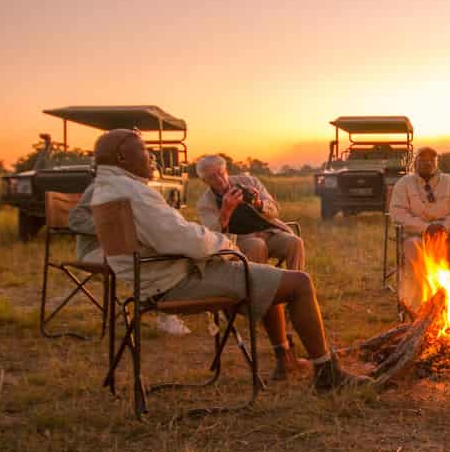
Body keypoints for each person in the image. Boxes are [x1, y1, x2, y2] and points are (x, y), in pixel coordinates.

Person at [89, 129, 370, 390]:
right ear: (122, 157)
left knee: (267, 277)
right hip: (177, 280)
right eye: (143, 149)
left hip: (155, 279)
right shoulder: (134, 192)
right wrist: (225, 239)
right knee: (299, 283)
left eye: (221, 172)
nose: (151, 156)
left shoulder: (109, 189)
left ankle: (285, 359)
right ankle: (328, 374)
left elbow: (269, 211)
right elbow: (189, 240)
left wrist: (254, 203)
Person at [70, 185, 192, 335]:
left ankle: (162, 307)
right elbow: (75, 219)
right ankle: (162, 311)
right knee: (150, 257)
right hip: (94, 250)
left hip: (122, 248)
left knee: (166, 252)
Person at [389, 147, 450, 313]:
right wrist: (425, 228)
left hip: (448, 235)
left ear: (437, 162)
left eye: (432, 158)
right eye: (423, 158)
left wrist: (444, 226)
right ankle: (418, 306)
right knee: (413, 247)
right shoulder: (404, 184)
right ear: (415, 162)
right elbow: (397, 213)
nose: (427, 161)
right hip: (417, 236)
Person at [195, 155, 305, 271]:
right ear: (205, 181)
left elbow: (275, 210)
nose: (219, 180)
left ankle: (295, 282)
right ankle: (262, 287)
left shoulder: (250, 181)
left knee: (295, 242)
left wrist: (258, 203)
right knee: (257, 245)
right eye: (212, 177)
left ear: (226, 171)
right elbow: (214, 235)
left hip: (268, 232)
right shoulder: (205, 204)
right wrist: (226, 211)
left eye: (220, 173)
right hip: (239, 240)